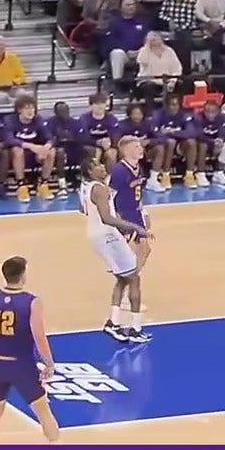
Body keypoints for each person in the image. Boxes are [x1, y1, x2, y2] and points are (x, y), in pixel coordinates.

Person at [0, 257, 60, 443]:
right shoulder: (32, 301)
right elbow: (39, 336)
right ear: (23, 275)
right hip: (21, 365)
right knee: (43, 411)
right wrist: (49, 363)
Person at [80, 158, 152, 345]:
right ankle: (135, 329)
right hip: (107, 236)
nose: (102, 166)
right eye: (96, 165)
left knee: (122, 278)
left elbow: (84, 209)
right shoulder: (100, 189)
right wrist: (135, 227)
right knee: (134, 277)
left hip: (98, 236)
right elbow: (106, 218)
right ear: (89, 171)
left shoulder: (87, 188)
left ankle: (113, 322)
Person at [109, 135, 154, 276]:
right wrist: (114, 215)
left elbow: (137, 192)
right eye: (136, 147)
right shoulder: (119, 171)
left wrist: (143, 211)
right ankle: (127, 281)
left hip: (136, 212)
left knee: (145, 250)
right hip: (124, 215)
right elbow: (109, 195)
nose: (141, 149)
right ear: (126, 151)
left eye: (140, 146)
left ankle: (131, 278)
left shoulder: (138, 167)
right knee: (135, 251)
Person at [8, 96, 57, 203]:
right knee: (17, 150)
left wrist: (46, 146)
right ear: (19, 110)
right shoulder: (10, 120)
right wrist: (32, 146)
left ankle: (43, 184)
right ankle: (21, 186)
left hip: (35, 154)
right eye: (27, 108)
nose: (30, 111)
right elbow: (10, 140)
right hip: (16, 155)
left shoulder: (38, 119)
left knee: (51, 151)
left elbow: (50, 137)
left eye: (32, 108)